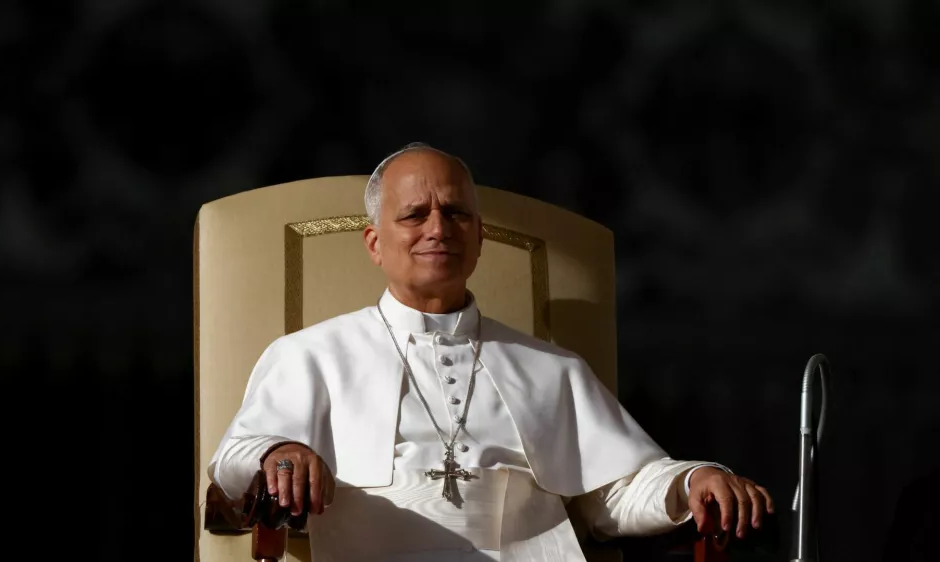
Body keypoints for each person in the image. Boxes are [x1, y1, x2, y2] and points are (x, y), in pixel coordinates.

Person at [208, 143, 774, 561]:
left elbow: (617, 492)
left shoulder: (551, 367)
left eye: (456, 214)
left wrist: (693, 480)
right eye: (414, 215)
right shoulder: (310, 355)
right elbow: (235, 461)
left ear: (479, 238)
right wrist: (279, 451)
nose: (439, 229)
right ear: (375, 242)